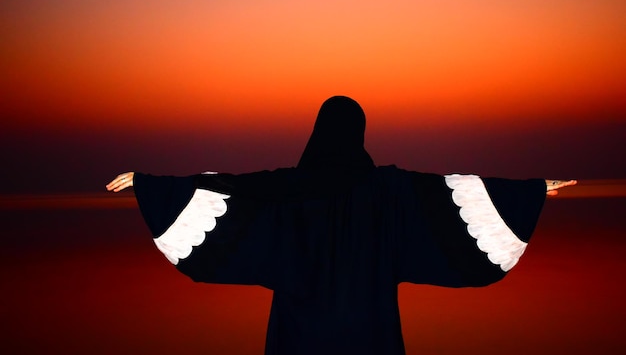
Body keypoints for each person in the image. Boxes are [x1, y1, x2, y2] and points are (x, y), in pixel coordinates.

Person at [107, 96, 576, 355]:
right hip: (369, 331)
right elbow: (450, 194)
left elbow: (231, 188)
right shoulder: (391, 190)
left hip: (300, 335)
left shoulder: (286, 190)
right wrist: (531, 190)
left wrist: (150, 186)